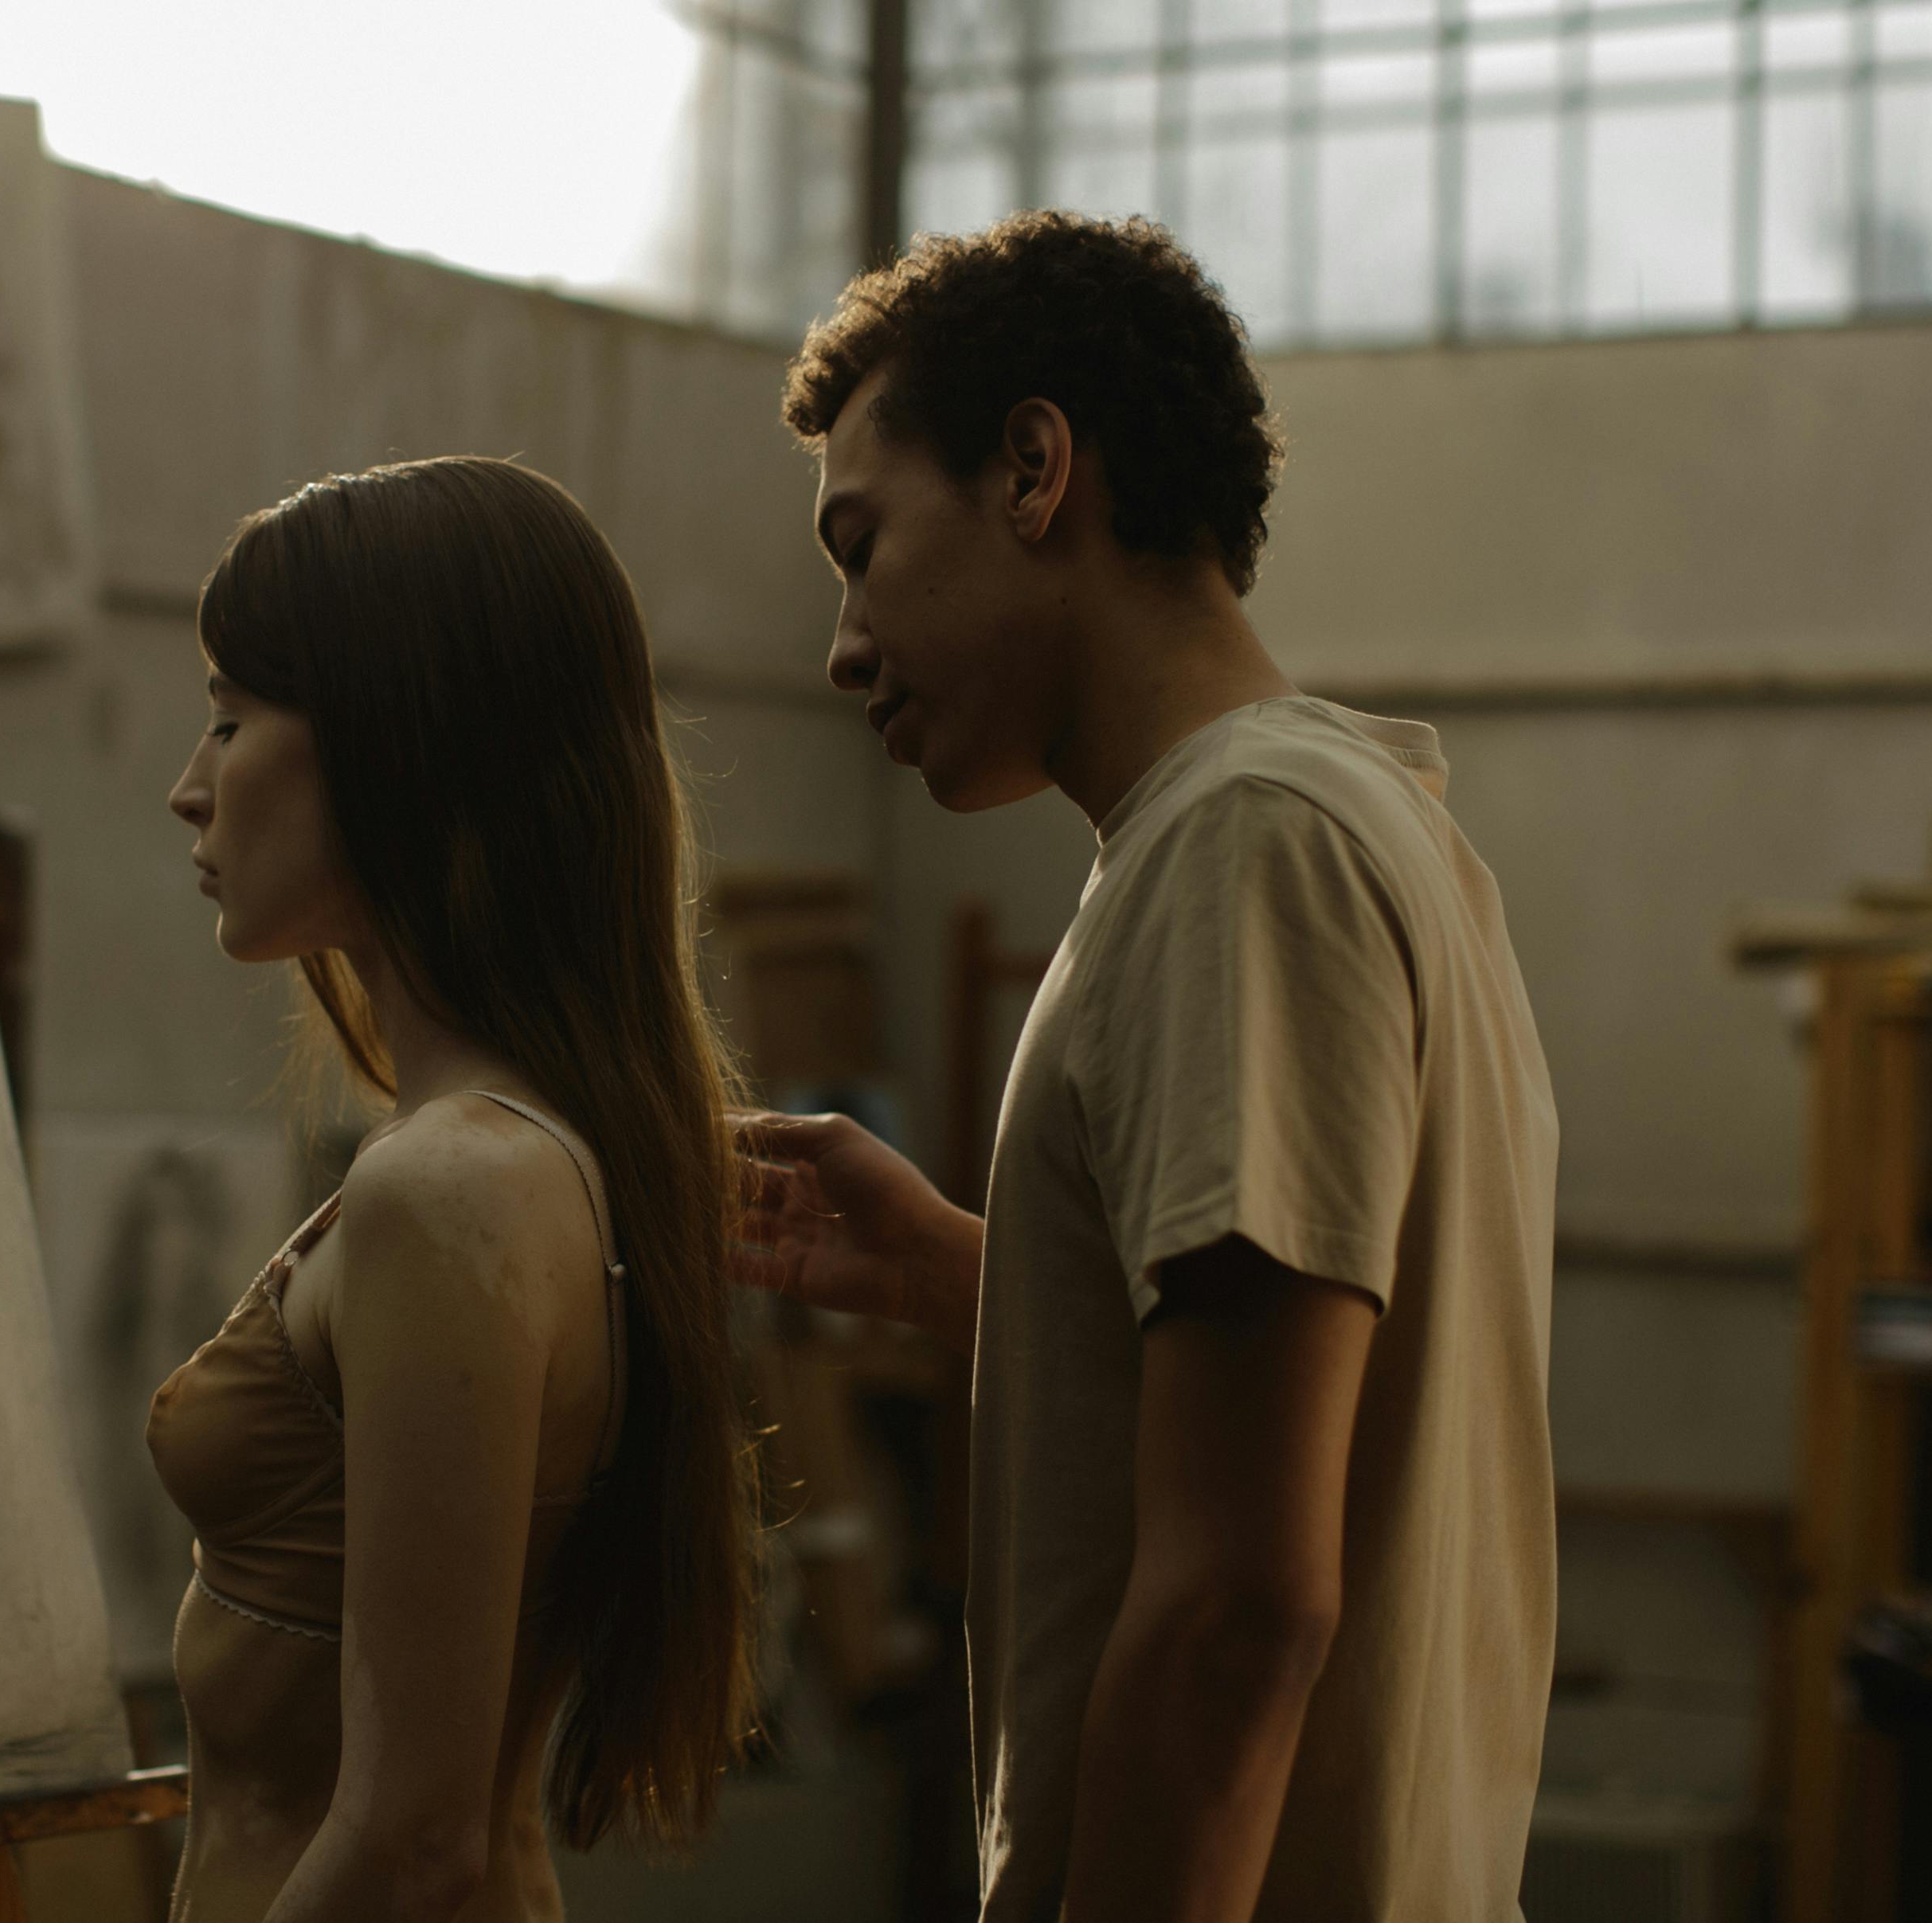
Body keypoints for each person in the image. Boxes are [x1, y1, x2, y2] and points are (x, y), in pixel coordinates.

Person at [737, 213, 1559, 1921]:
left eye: (862, 543)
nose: (840, 644)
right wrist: (982, 1273)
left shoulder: (1245, 847)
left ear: (1037, 467)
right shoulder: (1359, 823)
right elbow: (1310, 1400)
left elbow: (1238, 1607)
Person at [153, 457, 758, 1923]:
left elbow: (412, 1844)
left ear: (395, 746)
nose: (189, 785)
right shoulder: (532, 1155)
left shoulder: (453, 1189)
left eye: (231, 719)